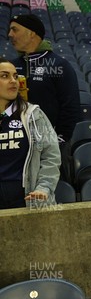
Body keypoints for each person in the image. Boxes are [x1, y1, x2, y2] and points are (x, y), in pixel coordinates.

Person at [8, 14, 80, 180]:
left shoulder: (59, 65)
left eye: (15, 29)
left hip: (50, 146)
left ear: (32, 33)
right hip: (16, 145)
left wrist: (58, 141)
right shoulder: (11, 67)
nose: (10, 34)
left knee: (52, 192)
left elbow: (70, 107)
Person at [0, 58, 60, 209]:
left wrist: (43, 188)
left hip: (27, 198)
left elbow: (51, 156)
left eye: (15, 76)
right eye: (5, 76)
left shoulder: (34, 115)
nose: (13, 81)